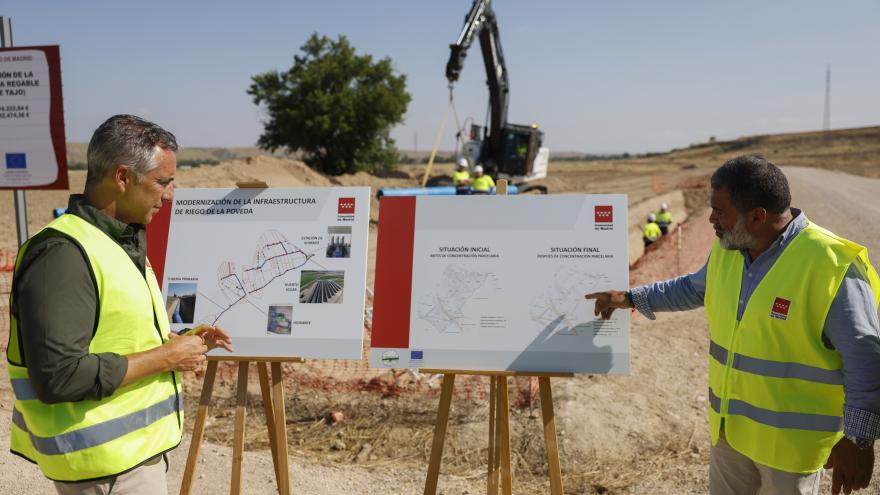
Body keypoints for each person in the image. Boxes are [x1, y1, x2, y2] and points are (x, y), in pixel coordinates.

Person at [586, 155, 880, 495]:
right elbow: (692, 288)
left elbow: (865, 357)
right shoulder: (730, 246)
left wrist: (859, 441)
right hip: (731, 433)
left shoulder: (831, 265)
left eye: (719, 211)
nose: (710, 218)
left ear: (757, 216)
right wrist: (629, 298)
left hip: (790, 450)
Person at [7, 115, 234, 494]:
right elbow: (59, 376)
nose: (170, 194)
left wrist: (179, 341)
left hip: (129, 460)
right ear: (123, 177)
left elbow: (114, 334)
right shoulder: (63, 254)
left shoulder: (116, 241)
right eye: (162, 182)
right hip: (105, 471)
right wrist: (168, 358)